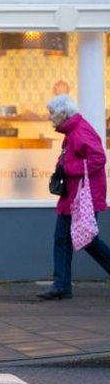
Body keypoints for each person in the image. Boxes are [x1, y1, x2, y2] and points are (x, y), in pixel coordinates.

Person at [38, 95, 110, 300]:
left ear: (63, 113)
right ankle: (61, 286)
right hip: (74, 196)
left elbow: (98, 158)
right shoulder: (72, 131)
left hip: (83, 197)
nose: (50, 118)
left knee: (86, 239)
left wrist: (67, 169)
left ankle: (61, 285)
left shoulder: (79, 131)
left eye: (52, 113)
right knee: (63, 239)